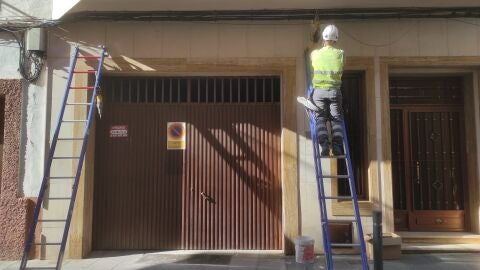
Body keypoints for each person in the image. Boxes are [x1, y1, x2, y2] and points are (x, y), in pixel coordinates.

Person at [298, 24, 345, 156]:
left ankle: (324, 146)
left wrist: (314, 35)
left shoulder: (316, 54)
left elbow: (311, 51)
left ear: (323, 39)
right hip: (335, 91)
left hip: (319, 92)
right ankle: (337, 147)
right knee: (336, 119)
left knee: (320, 119)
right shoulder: (340, 54)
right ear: (336, 40)